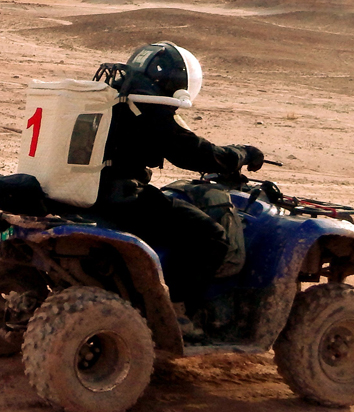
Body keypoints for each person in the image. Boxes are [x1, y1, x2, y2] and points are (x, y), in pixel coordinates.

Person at [93, 42, 264, 330]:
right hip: (123, 198)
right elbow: (192, 152)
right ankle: (176, 310)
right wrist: (242, 154)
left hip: (89, 190)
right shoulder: (147, 108)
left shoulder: (114, 96)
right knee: (211, 236)